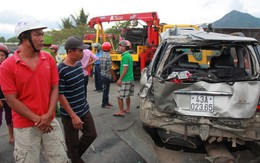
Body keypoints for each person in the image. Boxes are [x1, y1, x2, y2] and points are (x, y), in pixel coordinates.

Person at [0, 17, 68, 162]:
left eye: (42, 34)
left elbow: (55, 87)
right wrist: (38, 120)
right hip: (25, 126)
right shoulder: (7, 66)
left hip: (50, 121)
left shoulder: (48, 58)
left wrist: (49, 115)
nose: (42, 38)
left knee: (61, 159)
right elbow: (11, 100)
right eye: (37, 34)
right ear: (24, 37)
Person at [58, 36, 97, 163]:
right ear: (70, 51)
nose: (83, 53)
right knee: (72, 143)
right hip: (70, 115)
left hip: (84, 109)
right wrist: (73, 116)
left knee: (91, 134)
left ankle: (73, 157)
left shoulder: (79, 64)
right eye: (80, 51)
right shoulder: (61, 69)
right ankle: (74, 158)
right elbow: (60, 95)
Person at [114, 40, 134, 117]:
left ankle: (121, 111)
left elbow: (125, 68)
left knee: (120, 96)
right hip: (129, 77)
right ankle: (127, 109)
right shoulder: (129, 55)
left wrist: (120, 79)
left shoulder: (125, 56)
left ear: (125, 47)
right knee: (127, 95)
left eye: (121, 46)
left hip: (125, 79)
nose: (120, 47)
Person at [0, 43, 14, 144]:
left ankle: (11, 135)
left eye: (2, 55)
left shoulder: (8, 68)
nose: (0, 57)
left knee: (10, 119)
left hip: (8, 98)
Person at [99, 42, 117, 109]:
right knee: (106, 90)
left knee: (105, 89)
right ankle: (104, 104)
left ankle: (106, 102)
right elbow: (110, 68)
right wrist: (114, 76)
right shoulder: (108, 56)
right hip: (107, 75)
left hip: (102, 74)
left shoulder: (101, 55)